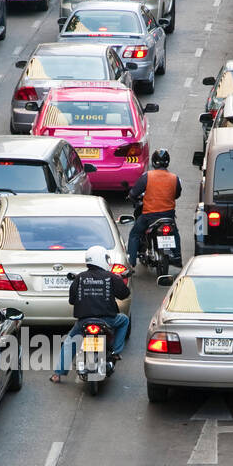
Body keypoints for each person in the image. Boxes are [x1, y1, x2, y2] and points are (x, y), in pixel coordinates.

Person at [50, 245, 131, 381]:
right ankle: (116, 352)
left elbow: (72, 300)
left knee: (70, 342)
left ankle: (57, 374)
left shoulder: (79, 278)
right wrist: (119, 280)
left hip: (83, 322)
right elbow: (124, 294)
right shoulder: (110, 277)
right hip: (108, 320)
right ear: (102, 259)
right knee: (124, 320)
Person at [127, 149, 182, 268]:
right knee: (175, 233)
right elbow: (177, 194)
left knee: (134, 234)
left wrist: (132, 197)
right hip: (168, 216)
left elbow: (133, 194)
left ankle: (131, 261)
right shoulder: (174, 178)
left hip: (149, 216)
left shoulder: (147, 176)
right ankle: (177, 257)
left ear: (153, 162)